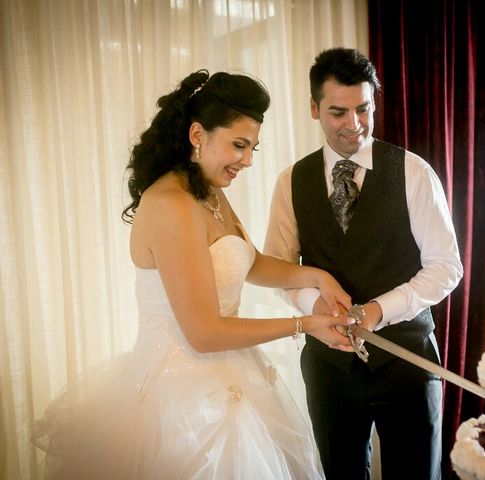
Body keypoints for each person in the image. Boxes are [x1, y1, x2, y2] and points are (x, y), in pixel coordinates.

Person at [32, 69, 356, 479]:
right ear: (198, 134)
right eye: (239, 145)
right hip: (183, 399)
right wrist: (305, 324)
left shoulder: (207, 190)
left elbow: (248, 261)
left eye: (253, 147)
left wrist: (317, 276)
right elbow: (203, 333)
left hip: (234, 373)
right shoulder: (173, 205)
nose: (249, 161)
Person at [264, 48, 463, 479]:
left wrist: (378, 310)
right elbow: (278, 266)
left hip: (408, 361)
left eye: (364, 109)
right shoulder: (290, 182)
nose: (354, 125)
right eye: (338, 112)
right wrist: (311, 303)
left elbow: (446, 266)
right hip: (328, 368)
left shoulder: (413, 172)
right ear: (314, 108)